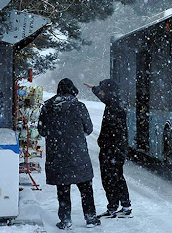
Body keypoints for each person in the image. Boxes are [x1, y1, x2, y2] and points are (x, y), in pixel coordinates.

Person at [38, 78, 101, 230]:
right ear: (72, 90)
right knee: (86, 188)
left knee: (63, 190)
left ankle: (65, 220)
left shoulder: (48, 107)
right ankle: (91, 218)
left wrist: (56, 136)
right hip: (78, 154)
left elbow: (42, 130)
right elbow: (89, 128)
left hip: (57, 155)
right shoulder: (79, 106)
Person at [84, 79, 132, 218]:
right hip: (117, 148)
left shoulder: (114, 104)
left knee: (109, 178)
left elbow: (112, 129)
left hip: (111, 148)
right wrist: (94, 88)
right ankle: (125, 205)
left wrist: (104, 143)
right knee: (117, 176)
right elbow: (105, 97)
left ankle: (112, 207)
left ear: (108, 91)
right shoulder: (117, 101)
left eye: (103, 89)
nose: (102, 92)